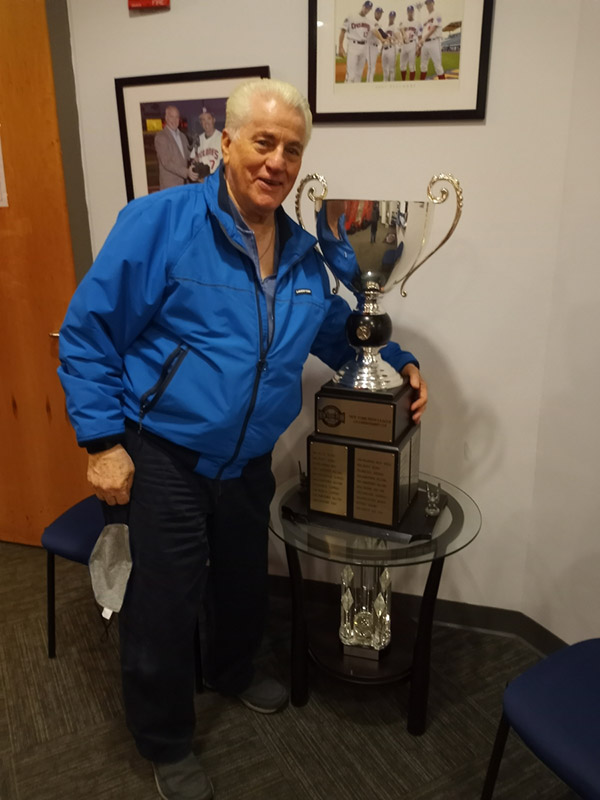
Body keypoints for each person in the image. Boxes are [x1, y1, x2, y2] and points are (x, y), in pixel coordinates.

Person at [58, 78, 427, 800]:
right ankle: (165, 740)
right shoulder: (158, 223)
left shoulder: (301, 254)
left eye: (292, 149)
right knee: (162, 604)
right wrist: (102, 439)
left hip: (246, 458)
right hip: (162, 451)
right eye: (263, 142)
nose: (277, 161)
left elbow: (334, 330)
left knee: (239, 581)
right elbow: (88, 333)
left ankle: (230, 670)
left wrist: (401, 359)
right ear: (225, 143)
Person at [154, 105, 192, 190]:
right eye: (172, 117)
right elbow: (166, 162)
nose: (175, 121)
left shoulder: (182, 136)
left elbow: (188, 156)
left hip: (185, 185)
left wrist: (196, 157)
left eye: (177, 117)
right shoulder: (161, 137)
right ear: (166, 118)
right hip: (170, 187)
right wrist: (187, 172)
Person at [339, 1, 375, 83]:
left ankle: (356, 94)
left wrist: (383, 39)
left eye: (369, 9)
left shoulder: (368, 21)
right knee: (351, 75)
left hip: (364, 47)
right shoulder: (351, 16)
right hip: (353, 45)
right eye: (366, 7)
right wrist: (340, 46)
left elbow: (375, 31)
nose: (366, 10)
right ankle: (346, 93)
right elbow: (342, 31)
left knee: (359, 74)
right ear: (362, 6)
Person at [189, 107, 222, 183]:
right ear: (201, 123)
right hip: (201, 182)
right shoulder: (198, 139)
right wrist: (192, 168)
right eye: (203, 120)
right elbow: (192, 161)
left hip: (217, 182)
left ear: (214, 120)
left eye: (208, 118)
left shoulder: (222, 138)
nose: (206, 122)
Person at [419, 0, 445, 80]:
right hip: (425, 43)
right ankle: (421, 84)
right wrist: (419, 46)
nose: (428, 5)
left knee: (438, 66)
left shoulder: (437, 13)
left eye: (430, 3)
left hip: (434, 41)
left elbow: (434, 28)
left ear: (433, 3)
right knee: (423, 65)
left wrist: (424, 38)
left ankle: (443, 86)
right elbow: (423, 32)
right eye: (427, 3)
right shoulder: (425, 18)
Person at [365, 6, 387, 82]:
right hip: (370, 46)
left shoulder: (377, 23)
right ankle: (368, 86)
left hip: (374, 47)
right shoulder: (372, 21)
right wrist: (388, 38)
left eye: (381, 13)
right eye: (378, 13)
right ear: (375, 13)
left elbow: (383, 34)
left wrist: (388, 37)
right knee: (371, 67)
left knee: (372, 67)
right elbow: (382, 33)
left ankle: (370, 83)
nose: (380, 15)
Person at [399, 4, 420, 81]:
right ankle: (403, 81)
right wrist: (404, 34)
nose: (410, 13)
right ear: (407, 12)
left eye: (411, 11)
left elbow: (419, 36)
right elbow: (401, 28)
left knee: (412, 66)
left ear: (413, 12)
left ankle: (411, 83)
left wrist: (419, 48)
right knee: (402, 66)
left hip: (412, 44)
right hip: (404, 45)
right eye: (409, 11)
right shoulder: (403, 22)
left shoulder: (417, 23)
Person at [381, 10, 400, 82]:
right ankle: (385, 83)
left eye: (393, 17)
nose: (391, 18)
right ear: (389, 17)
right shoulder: (385, 28)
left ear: (394, 18)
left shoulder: (395, 27)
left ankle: (392, 85)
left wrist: (395, 41)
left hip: (392, 49)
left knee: (392, 69)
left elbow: (398, 38)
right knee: (385, 69)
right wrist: (381, 49)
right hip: (384, 50)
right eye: (390, 16)